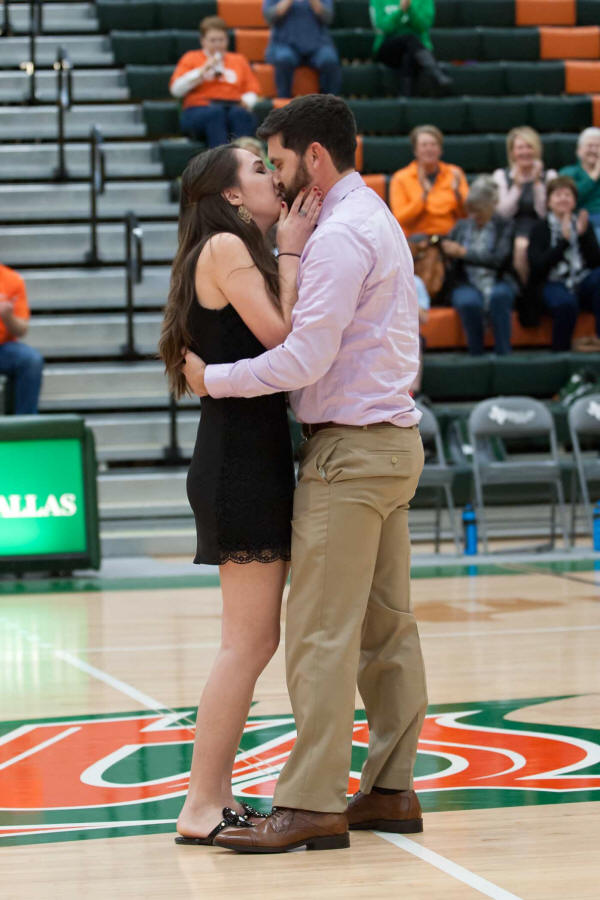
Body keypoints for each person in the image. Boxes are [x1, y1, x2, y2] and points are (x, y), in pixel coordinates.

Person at [182, 94, 428, 854]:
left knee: (321, 634)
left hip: (349, 452)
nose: (278, 176)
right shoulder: (370, 216)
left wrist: (212, 379)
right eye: (263, 167)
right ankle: (389, 786)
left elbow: (302, 357)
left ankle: (311, 802)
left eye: (280, 161)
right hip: (387, 443)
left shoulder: (335, 235)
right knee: (386, 630)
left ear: (314, 157)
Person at [158, 145, 321, 844]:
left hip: (249, 455)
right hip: (238, 463)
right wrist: (291, 251)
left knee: (253, 641)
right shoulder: (227, 247)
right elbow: (283, 340)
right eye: (257, 169)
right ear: (229, 196)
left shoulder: (227, 248)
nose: (271, 177)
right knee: (247, 643)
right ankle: (201, 803)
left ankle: (213, 796)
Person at [442, 177, 516, 356]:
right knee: (468, 302)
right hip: (466, 281)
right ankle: (476, 355)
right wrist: (445, 248)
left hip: (498, 279)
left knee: (500, 296)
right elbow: (446, 250)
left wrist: (464, 253)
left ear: (492, 206)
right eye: (471, 210)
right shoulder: (461, 226)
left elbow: (499, 260)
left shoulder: (505, 226)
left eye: (479, 210)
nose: (474, 216)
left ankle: (504, 354)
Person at [526, 175, 600, 352]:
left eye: (568, 195)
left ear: (574, 201)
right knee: (566, 303)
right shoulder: (539, 228)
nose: (563, 199)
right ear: (549, 202)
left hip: (581, 280)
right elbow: (537, 267)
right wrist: (564, 242)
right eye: (558, 195)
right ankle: (561, 353)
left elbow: (595, 262)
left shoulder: (583, 225)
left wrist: (583, 236)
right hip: (552, 282)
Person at [169, 16, 260, 149]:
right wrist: (201, 71)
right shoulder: (191, 58)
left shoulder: (239, 60)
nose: (217, 45)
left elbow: (252, 90)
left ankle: (243, 157)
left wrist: (246, 102)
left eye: (221, 40)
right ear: (203, 41)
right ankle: (220, 159)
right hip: (200, 109)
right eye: (212, 40)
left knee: (240, 114)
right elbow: (176, 90)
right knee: (216, 114)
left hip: (232, 107)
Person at [492, 126, 557, 286]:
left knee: (526, 245)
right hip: (509, 229)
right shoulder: (501, 175)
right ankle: (527, 289)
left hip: (542, 228)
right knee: (521, 246)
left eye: (529, 147)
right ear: (512, 152)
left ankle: (531, 289)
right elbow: (503, 213)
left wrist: (537, 183)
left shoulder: (549, 175)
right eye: (520, 148)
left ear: (537, 150)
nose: (525, 152)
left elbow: (545, 213)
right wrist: (517, 186)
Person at [389, 124, 468, 239]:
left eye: (433, 144)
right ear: (415, 150)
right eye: (424, 145)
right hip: (417, 239)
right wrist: (423, 197)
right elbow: (400, 218)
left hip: (450, 236)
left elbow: (466, 215)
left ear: (440, 150)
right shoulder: (400, 178)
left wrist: (457, 194)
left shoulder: (455, 173)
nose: (429, 149)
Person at [369, 0, 452, 96]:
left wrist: (410, 9)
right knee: (409, 39)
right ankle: (436, 73)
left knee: (409, 55)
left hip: (416, 51)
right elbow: (383, 27)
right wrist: (401, 11)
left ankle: (405, 97)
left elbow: (424, 25)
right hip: (388, 49)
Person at [263, 0, 342, 99]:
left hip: (317, 44)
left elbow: (328, 18)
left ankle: (330, 103)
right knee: (284, 59)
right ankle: (283, 102)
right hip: (285, 43)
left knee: (329, 60)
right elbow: (269, 17)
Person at [0, 263, 43, 415]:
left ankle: (25, 422)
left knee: (30, 360)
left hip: (3, 347)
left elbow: (22, 329)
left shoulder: (12, 279)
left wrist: (7, 316)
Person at [560, 127, 600, 242]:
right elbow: (568, 200)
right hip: (577, 219)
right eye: (590, 146)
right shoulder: (567, 173)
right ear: (578, 151)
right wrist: (594, 176)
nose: (594, 150)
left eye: (598, 146)